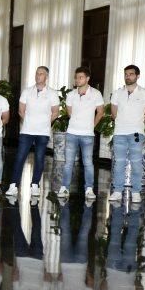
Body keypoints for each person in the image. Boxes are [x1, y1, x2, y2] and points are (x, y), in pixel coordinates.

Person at [5, 66, 60, 197]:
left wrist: (44, 123)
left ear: (46, 77)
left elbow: (55, 112)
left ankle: (35, 185)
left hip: (43, 132)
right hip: (27, 131)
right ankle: (13, 186)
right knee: (20, 157)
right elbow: (21, 110)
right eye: (36, 73)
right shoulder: (27, 91)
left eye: (41, 74)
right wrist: (30, 121)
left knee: (40, 159)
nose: (38, 76)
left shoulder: (52, 93)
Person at [57, 67, 104, 199]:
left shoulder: (96, 93)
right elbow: (69, 111)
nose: (77, 80)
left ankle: (89, 189)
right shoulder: (71, 94)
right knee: (68, 162)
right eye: (76, 77)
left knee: (88, 163)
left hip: (88, 135)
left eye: (81, 77)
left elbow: (100, 112)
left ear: (87, 79)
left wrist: (91, 126)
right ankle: (64, 188)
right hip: (72, 133)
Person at [109, 65, 145, 203]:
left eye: (131, 74)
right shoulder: (117, 93)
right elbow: (113, 113)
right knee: (119, 164)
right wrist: (122, 122)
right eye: (126, 74)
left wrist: (139, 124)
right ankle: (117, 191)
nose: (128, 76)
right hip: (119, 133)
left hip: (137, 133)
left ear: (137, 76)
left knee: (137, 164)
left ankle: (136, 192)